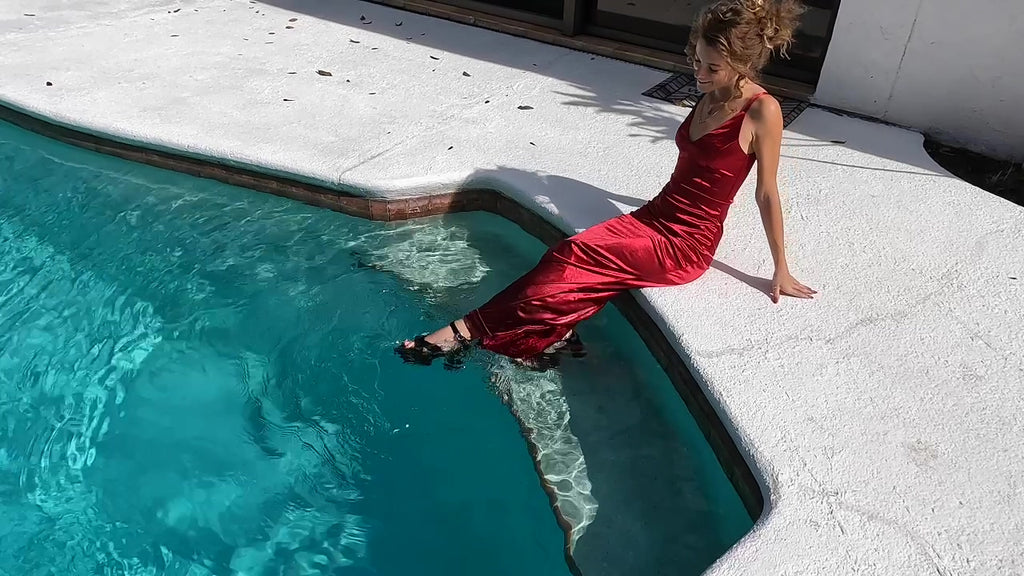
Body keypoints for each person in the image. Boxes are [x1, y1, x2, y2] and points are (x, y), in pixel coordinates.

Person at [397, 0, 816, 371]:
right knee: (570, 256)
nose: (699, 74)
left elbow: (766, 191)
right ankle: (538, 337)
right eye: (697, 61)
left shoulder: (762, 111)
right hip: (654, 215)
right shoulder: (711, 91)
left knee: (575, 255)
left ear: (742, 63)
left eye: (712, 68)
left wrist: (780, 267)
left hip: (685, 244)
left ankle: (463, 331)